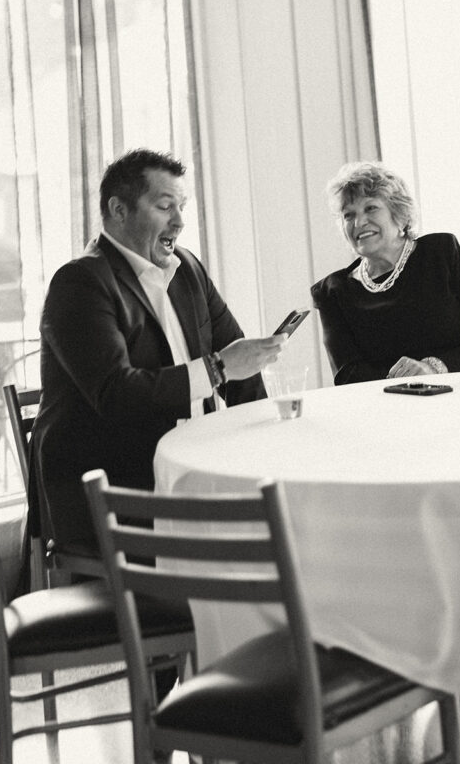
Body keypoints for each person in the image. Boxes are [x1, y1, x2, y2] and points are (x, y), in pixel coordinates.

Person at [31, 149, 286, 553]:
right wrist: (218, 369)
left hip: (193, 470)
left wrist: (269, 441)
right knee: (264, 544)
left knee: (288, 521)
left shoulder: (187, 267)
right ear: (118, 210)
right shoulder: (79, 283)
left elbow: (240, 364)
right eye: (165, 206)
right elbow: (116, 394)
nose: (180, 221)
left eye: (182, 206)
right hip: (117, 493)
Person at [311, 161, 460, 385]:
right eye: (348, 215)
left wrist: (432, 368)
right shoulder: (332, 291)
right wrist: (405, 382)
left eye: (370, 208)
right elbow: (348, 375)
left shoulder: (441, 252)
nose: (359, 222)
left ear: (398, 213)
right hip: (385, 408)